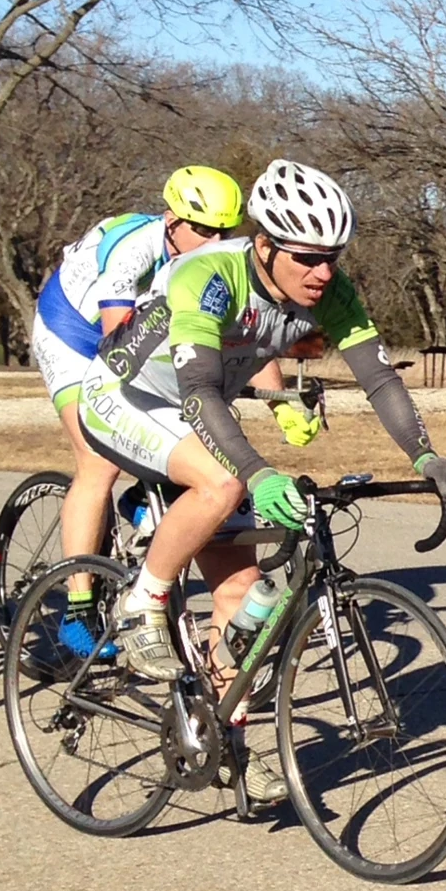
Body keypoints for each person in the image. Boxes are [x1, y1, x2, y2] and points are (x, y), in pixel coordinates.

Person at [78, 160, 446, 795]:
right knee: (226, 484)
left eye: (333, 257)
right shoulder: (211, 276)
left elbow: (379, 379)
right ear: (264, 244)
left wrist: (426, 458)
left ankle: (221, 737)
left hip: (191, 411)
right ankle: (142, 600)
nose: (323, 272)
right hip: (126, 397)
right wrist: (258, 473)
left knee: (245, 599)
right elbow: (201, 390)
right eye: (307, 257)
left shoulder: (333, 290)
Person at [29, 167, 296, 656]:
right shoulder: (136, 249)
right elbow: (118, 351)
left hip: (135, 337)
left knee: (191, 432)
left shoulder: (219, 261)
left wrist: (280, 402)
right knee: (99, 458)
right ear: (171, 220)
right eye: (203, 230)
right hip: (76, 332)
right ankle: (80, 607)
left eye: (223, 232)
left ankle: (145, 496)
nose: (213, 241)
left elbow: (253, 327)